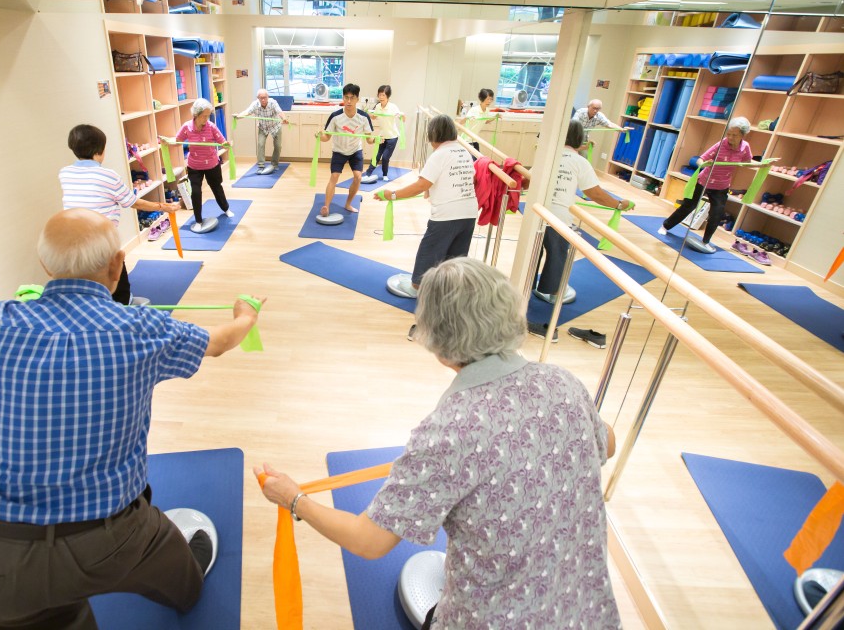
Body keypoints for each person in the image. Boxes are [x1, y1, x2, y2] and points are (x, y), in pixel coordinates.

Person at [254, 257, 619, 630]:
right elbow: (607, 444)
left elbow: (368, 541)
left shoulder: (448, 433)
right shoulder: (563, 382)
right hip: (590, 613)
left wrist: (295, 499)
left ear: (437, 340)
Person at [0, 208, 265, 629]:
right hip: (107, 537)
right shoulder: (141, 329)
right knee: (180, 574)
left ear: (45, 264)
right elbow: (219, 342)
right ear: (117, 264)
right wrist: (246, 316)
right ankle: (184, 587)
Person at [530, 120, 633, 344]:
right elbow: (595, 194)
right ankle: (551, 291)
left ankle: (527, 284)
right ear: (580, 140)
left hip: (536, 213)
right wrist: (619, 204)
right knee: (557, 254)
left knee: (534, 250)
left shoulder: (547, 156)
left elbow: (529, 179)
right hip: (559, 217)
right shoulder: (579, 162)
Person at [58, 124, 181, 305]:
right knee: (117, 272)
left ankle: (97, 303)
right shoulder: (108, 175)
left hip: (74, 237)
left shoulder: (65, 173)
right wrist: (164, 207)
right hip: (102, 238)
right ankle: (124, 304)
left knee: (88, 274)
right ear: (100, 150)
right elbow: (133, 202)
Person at [374, 114, 476, 303]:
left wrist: (391, 195)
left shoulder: (439, 155)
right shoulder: (464, 152)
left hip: (446, 215)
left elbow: (421, 185)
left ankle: (417, 287)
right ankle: (450, 289)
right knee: (456, 255)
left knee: (429, 250)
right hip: (469, 213)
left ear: (433, 134)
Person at [659, 116, 752, 253]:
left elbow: (748, 162)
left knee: (716, 214)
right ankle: (665, 226)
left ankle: (706, 241)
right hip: (705, 181)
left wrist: (763, 165)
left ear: (742, 136)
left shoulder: (745, 147)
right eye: (729, 134)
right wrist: (703, 164)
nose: (730, 137)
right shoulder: (721, 144)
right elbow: (701, 158)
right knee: (689, 206)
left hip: (722, 185)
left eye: (734, 135)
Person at [169, 98, 233, 233]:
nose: (206, 119)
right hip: (195, 166)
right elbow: (177, 141)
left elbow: (222, 141)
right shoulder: (187, 127)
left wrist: (226, 145)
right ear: (196, 114)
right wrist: (166, 142)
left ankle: (226, 209)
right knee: (196, 192)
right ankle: (198, 220)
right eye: (204, 116)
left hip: (212, 164)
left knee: (217, 188)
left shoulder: (211, 126)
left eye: (208, 115)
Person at [318, 83, 375, 217]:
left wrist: (377, 140)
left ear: (357, 99)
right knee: (334, 176)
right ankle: (326, 206)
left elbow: (369, 139)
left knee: (358, 177)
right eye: (346, 97)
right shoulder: (335, 116)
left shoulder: (364, 117)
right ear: (343, 98)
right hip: (339, 150)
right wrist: (320, 136)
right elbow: (326, 137)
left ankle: (348, 204)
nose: (349, 101)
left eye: (352, 98)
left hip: (355, 151)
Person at [236, 88, 288, 175]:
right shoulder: (255, 104)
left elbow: (280, 111)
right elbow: (247, 112)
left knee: (278, 146)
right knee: (260, 144)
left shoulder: (273, 102)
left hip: (275, 126)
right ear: (258, 98)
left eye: (265, 97)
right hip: (263, 127)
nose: (263, 100)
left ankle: (274, 164)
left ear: (268, 97)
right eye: (261, 98)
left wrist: (284, 118)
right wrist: (238, 116)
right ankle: (261, 166)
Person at [363, 84, 405, 181]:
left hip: (392, 137)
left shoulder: (393, 107)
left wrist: (402, 116)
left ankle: (385, 175)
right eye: (379, 95)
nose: (381, 97)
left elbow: (402, 119)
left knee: (385, 157)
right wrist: (367, 113)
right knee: (376, 156)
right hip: (382, 136)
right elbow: (374, 117)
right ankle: (368, 174)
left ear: (388, 96)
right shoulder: (378, 106)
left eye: (383, 95)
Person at [461, 88, 497, 155]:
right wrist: (469, 118)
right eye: (488, 99)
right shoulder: (474, 110)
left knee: (478, 158)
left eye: (491, 99)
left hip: (474, 139)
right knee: (474, 158)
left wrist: (495, 117)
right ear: (482, 98)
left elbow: (485, 121)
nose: (489, 101)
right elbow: (462, 121)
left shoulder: (486, 110)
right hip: (467, 139)